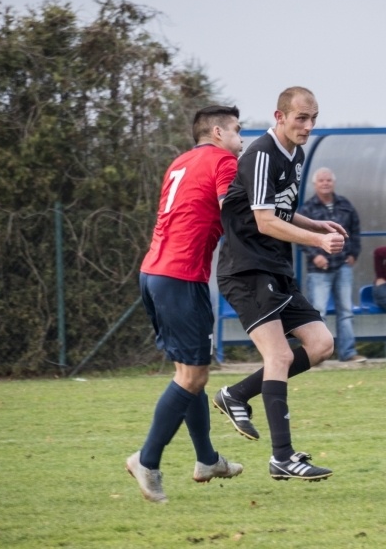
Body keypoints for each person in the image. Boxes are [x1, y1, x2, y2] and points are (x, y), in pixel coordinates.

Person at [213, 86, 346, 482]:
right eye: (301, 118)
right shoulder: (260, 154)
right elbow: (264, 220)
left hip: (274, 266)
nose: (308, 125)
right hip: (246, 269)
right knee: (280, 357)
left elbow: (282, 210)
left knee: (322, 345)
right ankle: (283, 457)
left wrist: (315, 222)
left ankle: (236, 394)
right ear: (280, 116)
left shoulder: (297, 154)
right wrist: (320, 241)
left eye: (313, 118)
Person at [125, 105, 245, 503]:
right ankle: (147, 460)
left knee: (191, 372)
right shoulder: (223, 160)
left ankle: (207, 459)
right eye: (237, 132)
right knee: (192, 377)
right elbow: (238, 217)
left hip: (153, 272)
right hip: (181, 276)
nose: (241, 142)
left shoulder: (180, 162)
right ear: (217, 132)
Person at [298, 167, 364, 363]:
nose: (325, 183)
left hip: (343, 266)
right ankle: (318, 354)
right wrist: (314, 255)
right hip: (319, 269)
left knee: (346, 310)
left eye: (328, 180)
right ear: (315, 184)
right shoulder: (307, 209)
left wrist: (354, 254)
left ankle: (348, 353)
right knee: (319, 311)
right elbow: (300, 236)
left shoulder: (345, 205)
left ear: (333, 183)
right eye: (321, 181)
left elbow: (355, 230)